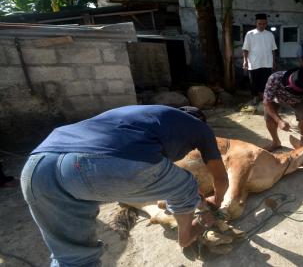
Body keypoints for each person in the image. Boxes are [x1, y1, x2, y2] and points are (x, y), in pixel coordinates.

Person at [20, 105, 229, 266]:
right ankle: (186, 236)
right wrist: (216, 201)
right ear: (200, 121)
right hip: (95, 164)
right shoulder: (200, 127)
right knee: (185, 184)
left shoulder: (147, 115)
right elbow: (220, 178)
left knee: (72, 258)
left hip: (36, 166)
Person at [263, 67, 303, 151]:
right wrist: (279, 121)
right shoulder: (275, 78)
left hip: (298, 101)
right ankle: (276, 142)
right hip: (277, 99)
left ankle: (302, 142)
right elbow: (266, 102)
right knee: (269, 117)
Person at [242, 13, 278, 103]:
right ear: (256, 23)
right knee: (254, 81)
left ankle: (264, 97)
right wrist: (245, 61)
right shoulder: (250, 34)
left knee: (265, 81)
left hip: (267, 63)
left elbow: (273, 49)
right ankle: (255, 97)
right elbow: (245, 49)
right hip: (254, 63)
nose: (262, 25)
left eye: (264, 23)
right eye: (259, 23)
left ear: (266, 23)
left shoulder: (270, 35)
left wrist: (273, 61)